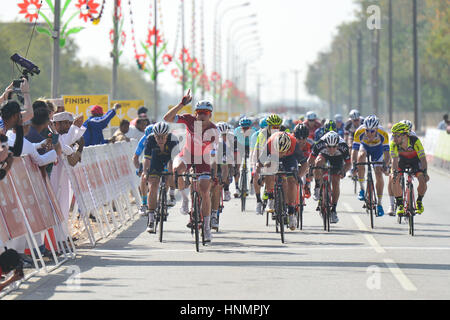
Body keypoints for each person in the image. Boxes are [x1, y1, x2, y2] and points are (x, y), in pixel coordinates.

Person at [163, 91, 219, 243]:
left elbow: (214, 153)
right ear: (195, 114)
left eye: (205, 113)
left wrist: (213, 168)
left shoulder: (214, 130)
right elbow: (166, 118)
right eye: (199, 112)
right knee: (177, 170)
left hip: (203, 159)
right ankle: (185, 200)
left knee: (205, 190)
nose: (202, 115)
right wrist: (181, 105)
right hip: (187, 154)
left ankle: (207, 228)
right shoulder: (188, 119)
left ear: (210, 115)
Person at [258, 131, 308, 230]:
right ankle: (271, 198)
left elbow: (304, 164)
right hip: (273, 157)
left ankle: (291, 212)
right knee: (269, 169)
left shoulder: (294, 145)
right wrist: (261, 174)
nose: (281, 154)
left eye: (282, 152)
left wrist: (298, 176)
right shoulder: (270, 143)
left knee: (292, 181)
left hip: (290, 158)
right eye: (279, 152)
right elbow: (260, 162)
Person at [142, 122, 179, 232]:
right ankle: (151, 218)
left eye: (163, 137)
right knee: (153, 185)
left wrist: (174, 173)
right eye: (157, 137)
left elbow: (175, 160)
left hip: (169, 159)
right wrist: (145, 172)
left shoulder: (173, 140)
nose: (160, 139)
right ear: (154, 135)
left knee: (171, 171)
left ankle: (171, 193)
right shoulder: (150, 139)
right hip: (155, 160)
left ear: (167, 135)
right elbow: (147, 159)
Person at [309, 132, 352, 223]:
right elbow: (311, 160)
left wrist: (343, 171)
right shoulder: (320, 144)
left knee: (336, 181)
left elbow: (348, 164)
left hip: (337, 158)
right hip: (324, 155)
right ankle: (317, 187)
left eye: (334, 147)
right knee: (318, 163)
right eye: (329, 147)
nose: (331, 149)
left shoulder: (343, 146)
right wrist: (311, 170)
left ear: (338, 145)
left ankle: (333, 210)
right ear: (325, 145)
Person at [352, 115, 390, 216]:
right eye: (367, 131)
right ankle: (361, 188)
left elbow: (387, 154)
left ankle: (379, 204)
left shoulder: (383, 134)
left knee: (378, 173)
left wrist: (385, 165)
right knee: (360, 157)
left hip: (377, 150)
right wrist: (354, 165)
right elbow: (354, 151)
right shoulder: (359, 131)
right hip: (365, 147)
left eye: (372, 131)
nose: (369, 134)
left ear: (377, 129)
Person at [390, 122, 429, 216]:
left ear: (405, 135)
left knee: (423, 180)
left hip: (415, 161)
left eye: (397, 136)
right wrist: (395, 172)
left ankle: (419, 201)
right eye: (393, 135)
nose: (394, 138)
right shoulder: (394, 144)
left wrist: (424, 172)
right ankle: (399, 205)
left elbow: (423, 158)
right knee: (394, 179)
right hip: (401, 161)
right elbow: (394, 161)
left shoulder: (415, 141)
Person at [252, 114, 282, 214]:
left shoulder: (283, 132)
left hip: (278, 155)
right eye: (274, 127)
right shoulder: (263, 134)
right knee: (256, 176)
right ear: (268, 126)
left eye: (278, 127)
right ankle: (258, 201)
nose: (276, 129)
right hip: (263, 153)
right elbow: (261, 152)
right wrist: (259, 166)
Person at [233, 117, 257, 197]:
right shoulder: (236, 131)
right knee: (237, 165)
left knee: (253, 164)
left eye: (247, 128)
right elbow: (233, 143)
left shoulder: (254, 132)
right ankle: (236, 187)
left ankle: (252, 182)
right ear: (241, 127)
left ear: (250, 127)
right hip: (240, 146)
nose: (246, 130)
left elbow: (256, 145)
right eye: (244, 128)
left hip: (251, 147)